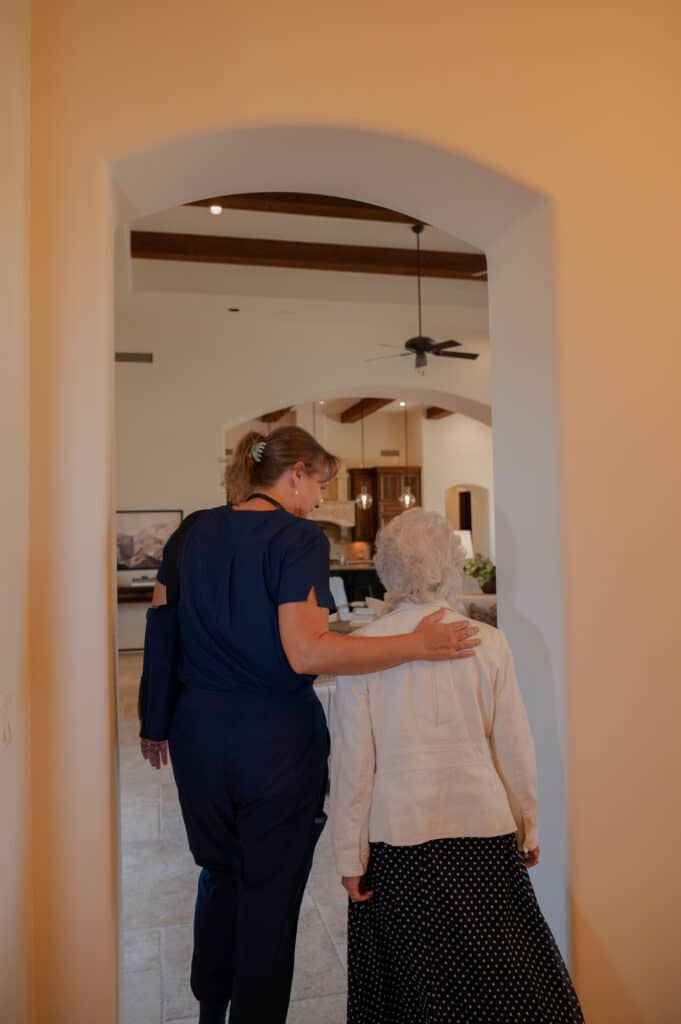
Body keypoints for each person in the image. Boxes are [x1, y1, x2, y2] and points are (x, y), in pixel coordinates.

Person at [139, 427, 481, 1024]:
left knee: (218, 874)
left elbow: (162, 628)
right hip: (272, 743)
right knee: (269, 899)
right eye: (320, 482)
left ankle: (208, 1008)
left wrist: (154, 718)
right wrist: (416, 644)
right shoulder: (295, 537)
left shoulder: (192, 529)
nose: (319, 497)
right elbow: (308, 653)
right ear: (294, 473)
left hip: (199, 738)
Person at [330, 508, 584, 1023]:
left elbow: (352, 769)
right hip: (482, 830)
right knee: (498, 983)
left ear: (385, 568)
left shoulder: (360, 653)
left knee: (414, 988)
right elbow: (514, 747)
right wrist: (527, 825)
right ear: (452, 565)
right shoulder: (488, 643)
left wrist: (349, 858)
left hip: (398, 840)